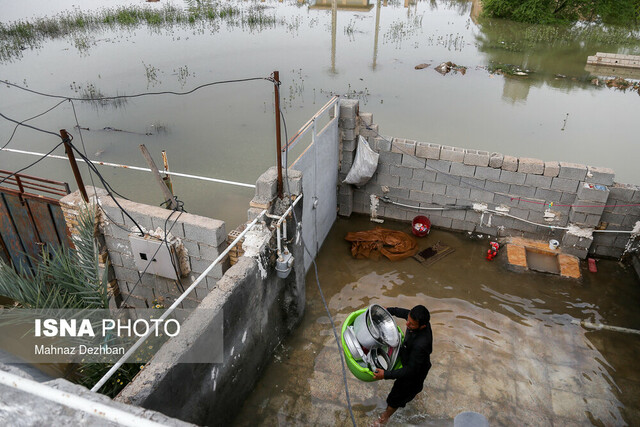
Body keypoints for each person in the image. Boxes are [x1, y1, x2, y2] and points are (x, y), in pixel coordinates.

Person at [372, 305, 433, 425]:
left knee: (395, 398)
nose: (407, 325)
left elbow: (410, 370)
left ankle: (383, 419)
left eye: (412, 324)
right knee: (411, 391)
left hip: (414, 372)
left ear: (423, 326)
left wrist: (386, 374)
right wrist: (387, 310)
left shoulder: (421, 344)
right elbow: (403, 312)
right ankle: (414, 395)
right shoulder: (415, 318)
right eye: (408, 321)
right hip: (413, 359)